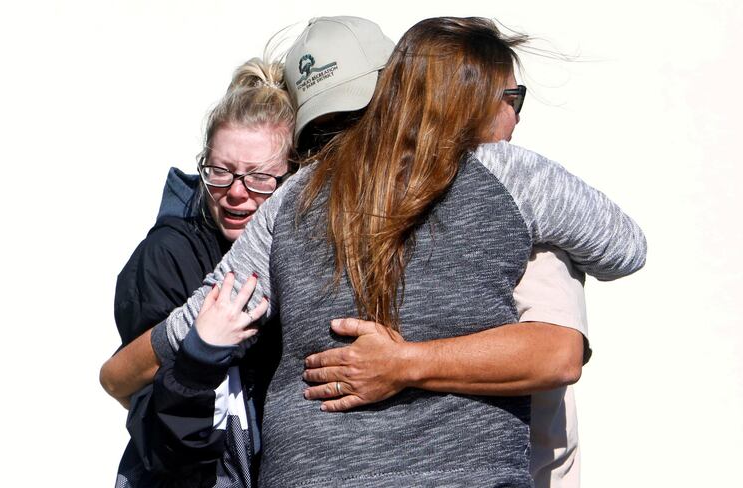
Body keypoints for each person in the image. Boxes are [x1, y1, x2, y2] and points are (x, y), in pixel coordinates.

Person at [138, 16, 646, 487]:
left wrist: (118, 374)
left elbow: (201, 316)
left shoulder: (295, 194)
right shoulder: (510, 176)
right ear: (476, 99)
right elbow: (625, 250)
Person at [101, 57, 294, 487]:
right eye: (220, 172)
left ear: (293, 179)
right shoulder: (166, 256)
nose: (236, 194)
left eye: (260, 178)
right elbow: (157, 438)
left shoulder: (304, 251)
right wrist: (198, 356)